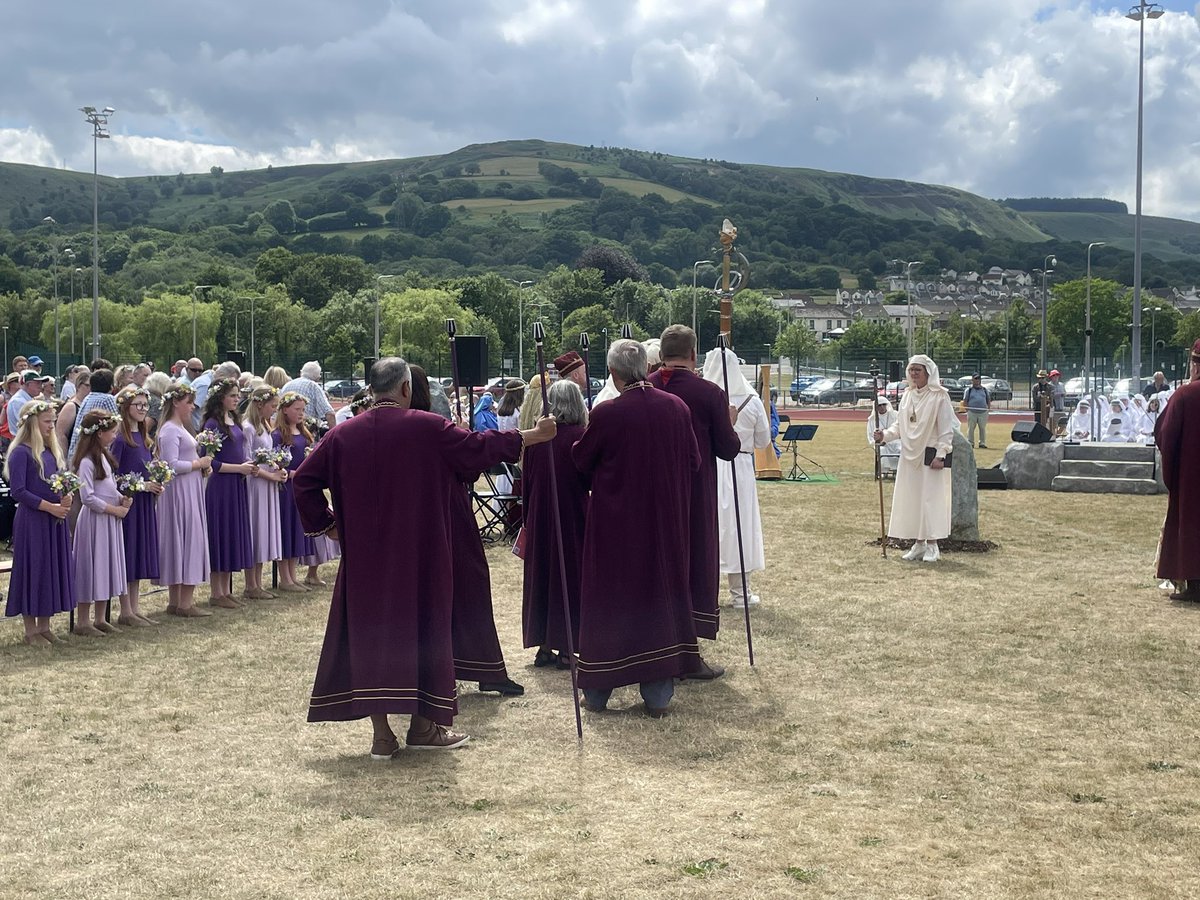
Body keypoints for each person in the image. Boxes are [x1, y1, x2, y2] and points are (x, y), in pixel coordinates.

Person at [292, 357, 556, 757]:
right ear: (404, 388)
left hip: (366, 556)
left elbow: (304, 482)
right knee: (426, 629)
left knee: (371, 634)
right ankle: (423, 727)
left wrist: (329, 524)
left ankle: (383, 736)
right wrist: (534, 436)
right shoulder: (427, 427)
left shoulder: (343, 435)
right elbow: (479, 447)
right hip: (421, 551)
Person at [572, 339, 703, 717]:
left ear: (613, 374)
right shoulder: (676, 408)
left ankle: (598, 691)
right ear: (647, 367)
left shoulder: (609, 413)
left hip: (616, 527)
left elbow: (582, 460)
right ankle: (658, 693)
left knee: (611, 601)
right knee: (660, 600)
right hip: (665, 525)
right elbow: (693, 462)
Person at [410, 366, 522, 696]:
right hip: (445, 514)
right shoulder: (429, 428)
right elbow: (472, 457)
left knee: (460, 587)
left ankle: (478, 668)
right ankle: (444, 672)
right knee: (464, 586)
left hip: (428, 514)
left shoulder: (426, 427)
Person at [647, 325, 739, 675]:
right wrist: (729, 421)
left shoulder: (645, 386)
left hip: (652, 492)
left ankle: (656, 643)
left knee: (659, 561)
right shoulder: (709, 393)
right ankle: (687, 651)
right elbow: (729, 448)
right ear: (692, 355)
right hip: (695, 490)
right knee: (694, 562)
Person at [521, 379, 589, 668]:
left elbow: (527, 483)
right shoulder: (580, 437)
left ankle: (545, 644)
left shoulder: (538, 441)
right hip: (573, 516)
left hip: (540, 517)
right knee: (569, 579)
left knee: (543, 577)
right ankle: (566, 646)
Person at [703, 346, 771, 609]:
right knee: (739, 527)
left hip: (709, 465)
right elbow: (763, 441)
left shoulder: (703, 399)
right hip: (739, 465)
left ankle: (705, 596)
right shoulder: (752, 402)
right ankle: (741, 594)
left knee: (709, 526)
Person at [4, 400, 75, 646]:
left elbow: (58, 480)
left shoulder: (50, 452)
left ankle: (45, 626)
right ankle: (30, 629)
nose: (51, 426)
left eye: (53, 422)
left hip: (53, 519)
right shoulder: (21, 453)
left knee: (49, 569)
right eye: (47, 422)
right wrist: (50, 507)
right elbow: (19, 491)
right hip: (33, 519)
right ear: (32, 423)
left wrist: (66, 495)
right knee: (33, 568)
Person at [874, 355, 956, 563]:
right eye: (911, 370)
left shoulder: (940, 396)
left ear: (928, 372)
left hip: (930, 456)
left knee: (930, 499)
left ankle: (932, 545)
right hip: (909, 456)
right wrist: (884, 435)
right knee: (912, 499)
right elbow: (900, 427)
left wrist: (941, 454)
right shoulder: (908, 396)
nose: (914, 374)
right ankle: (918, 543)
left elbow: (946, 430)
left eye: (918, 370)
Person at [153, 382, 213, 617]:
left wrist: (201, 469)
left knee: (185, 538)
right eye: (188, 402)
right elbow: (171, 465)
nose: (192, 407)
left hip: (190, 487)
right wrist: (198, 464)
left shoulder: (181, 428)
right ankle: (182, 602)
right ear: (176, 402)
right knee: (185, 538)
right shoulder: (169, 430)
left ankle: (179, 600)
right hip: (179, 491)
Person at [71, 410, 131, 636]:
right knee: (90, 566)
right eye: (111, 431)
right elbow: (87, 497)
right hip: (95, 520)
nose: (115, 435)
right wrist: (113, 508)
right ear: (98, 434)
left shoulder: (104, 457)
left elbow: (109, 487)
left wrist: (121, 499)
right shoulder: (86, 461)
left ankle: (100, 617)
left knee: (104, 564)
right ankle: (83, 621)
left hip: (109, 519)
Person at [200, 377, 256, 609]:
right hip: (221, 485)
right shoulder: (212, 424)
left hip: (237, 483)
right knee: (220, 533)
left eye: (237, 395)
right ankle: (216, 592)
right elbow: (209, 462)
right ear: (220, 397)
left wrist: (248, 463)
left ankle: (225, 589)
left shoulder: (234, 420)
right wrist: (239, 468)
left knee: (232, 532)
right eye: (232, 395)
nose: (237, 399)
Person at [111, 386, 164, 626]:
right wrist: (142, 486)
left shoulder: (143, 437)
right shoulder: (120, 439)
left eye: (145, 405)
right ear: (125, 408)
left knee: (140, 551)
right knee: (129, 552)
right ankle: (125, 610)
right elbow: (114, 474)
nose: (143, 409)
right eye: (138, 405)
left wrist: (156, 483)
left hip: (143, 503)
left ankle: (134, 607)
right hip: (128, 502)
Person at [1155, 340, 1200, 601]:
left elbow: (1166, 434)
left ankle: (1195, 584)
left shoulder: (1184, 395)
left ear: (1195, 363)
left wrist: (1173, 474)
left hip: (1191, 477)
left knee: (1192, 525)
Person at [243, 386, 286, 600]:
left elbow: (267, 455)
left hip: (267, 483)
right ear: (260, 404)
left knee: (263, 530)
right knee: (255, 528)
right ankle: (251, 584)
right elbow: (248, 462)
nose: (274, 411)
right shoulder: (249, 428)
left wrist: (278, 468)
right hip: (255, 485)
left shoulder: (265, 426)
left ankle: (258, 582)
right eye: (273, 406)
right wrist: (269, 476)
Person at [274, 391, 315, 593]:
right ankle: (285, 578)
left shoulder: (304, 433)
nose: (301, 413)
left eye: (303, 410)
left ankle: (293, 575)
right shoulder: (279, 435)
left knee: (297, 527)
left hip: (300, 487)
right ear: (285, 410)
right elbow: (273, 462)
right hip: (286, 487)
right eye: (297, 409)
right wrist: (290, 473)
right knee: (286, 528)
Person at [66, 367, 118, 465]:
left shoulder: (87, 398)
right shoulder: (107, 399)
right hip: (93, 453)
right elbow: (116, 424)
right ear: (111, 387)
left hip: (78, 452)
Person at [281, 361, 335, 431]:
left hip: (286, 429)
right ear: (317, 376)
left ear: (301, 372)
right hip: (307, 430)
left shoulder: (287, 385)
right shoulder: (313, 386)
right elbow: (330, 414)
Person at [8, 370, 50, 437]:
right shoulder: (18, 401)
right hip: (23, 442)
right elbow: (28, 426)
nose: (41, 386)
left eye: (41, 383)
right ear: (27, 384)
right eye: (37, 383)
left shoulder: (25, 399)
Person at [869, 395, 901, 474]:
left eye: (884, 405)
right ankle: (884, 472)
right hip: (881, 444)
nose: (882, 407)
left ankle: (898, 470)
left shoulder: (895, 415)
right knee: (882, 450)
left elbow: (900, 431)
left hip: (896, 442)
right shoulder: (872, 419)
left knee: (901, 449)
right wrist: (878, 442)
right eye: (879, 405)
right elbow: (870, 436)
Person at [962, 373, 991, 448]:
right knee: (971, 428)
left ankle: (982, 443)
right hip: (972, 412)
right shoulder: (969, 390)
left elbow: (988, 400)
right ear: (972, 380)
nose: (977, 380)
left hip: (983, 412)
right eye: (975, 379)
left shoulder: (984, 390)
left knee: (982, 428)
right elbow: (965, 400)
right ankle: (970, 443)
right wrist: (967, 410)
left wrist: (988, 409)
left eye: (978, 379)